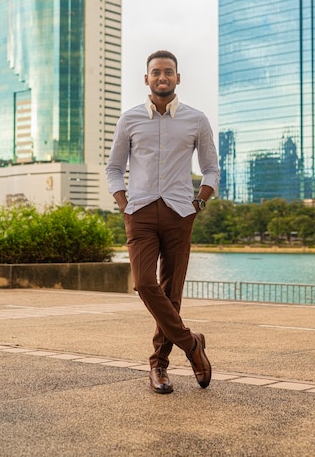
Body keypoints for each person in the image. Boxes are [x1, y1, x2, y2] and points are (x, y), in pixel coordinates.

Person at [106, 49, 219, 394]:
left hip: (179, 214)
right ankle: (192, 344)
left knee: (171, 292)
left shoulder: (196, 119)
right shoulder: (129, 120)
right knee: (143, 283)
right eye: (156, 72)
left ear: (177, 78)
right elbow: (113, 168)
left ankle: (159, 366)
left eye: (168, 72)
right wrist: (124, 204)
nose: (162, 77)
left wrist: (200, 200)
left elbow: (212, 167)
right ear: (147, 79)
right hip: (139, 213)